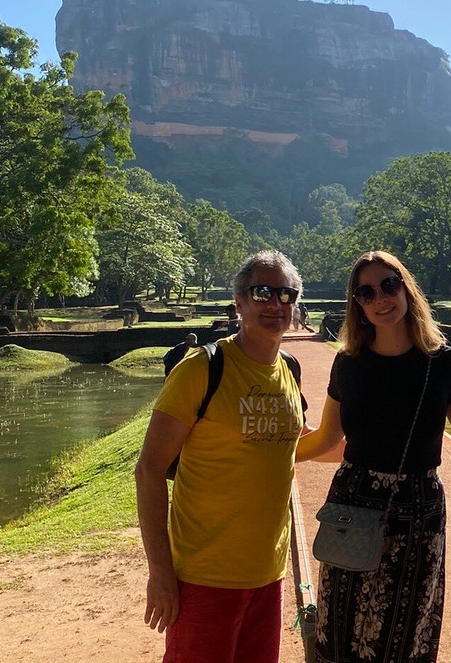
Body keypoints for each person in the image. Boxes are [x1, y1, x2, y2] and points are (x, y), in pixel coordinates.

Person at [297, 250, 451, 663]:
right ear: (358, 304)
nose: (380, 299)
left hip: (417, 511)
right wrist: (264, 452)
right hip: (351, 507)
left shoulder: (442, 364)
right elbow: (325, 440)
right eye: (366, 292)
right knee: (342, 624)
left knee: (406, 632)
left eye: (389, 285)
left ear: (406, 288)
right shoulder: (348, 363)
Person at [135, 250, 309, 663]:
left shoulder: (289, 369)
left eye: (286, 294)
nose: (274, 304)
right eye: (262, 291)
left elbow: (296, 447)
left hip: (269, 574)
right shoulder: (202, 369)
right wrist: (160, 573)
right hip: (204, 576)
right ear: (239, 303)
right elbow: (149, 470)